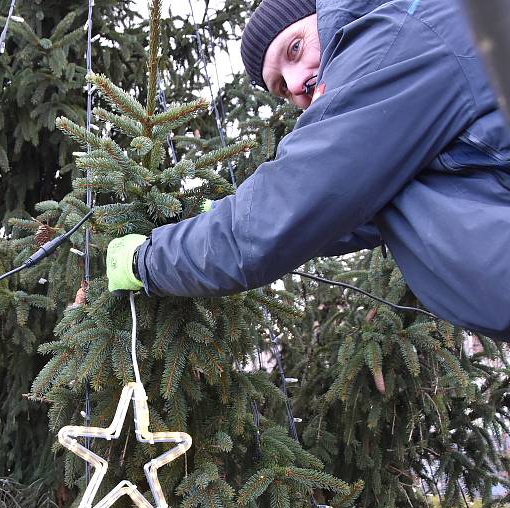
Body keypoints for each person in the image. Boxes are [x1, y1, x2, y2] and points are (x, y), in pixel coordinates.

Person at [105, 0, 510, 341]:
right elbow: (328, 215)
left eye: (295, 49)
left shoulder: (396, 40)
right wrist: (210, 217)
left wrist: (144, 261)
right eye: (280, 86)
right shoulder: (408, 44)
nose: (296, 83)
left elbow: (277, 219)